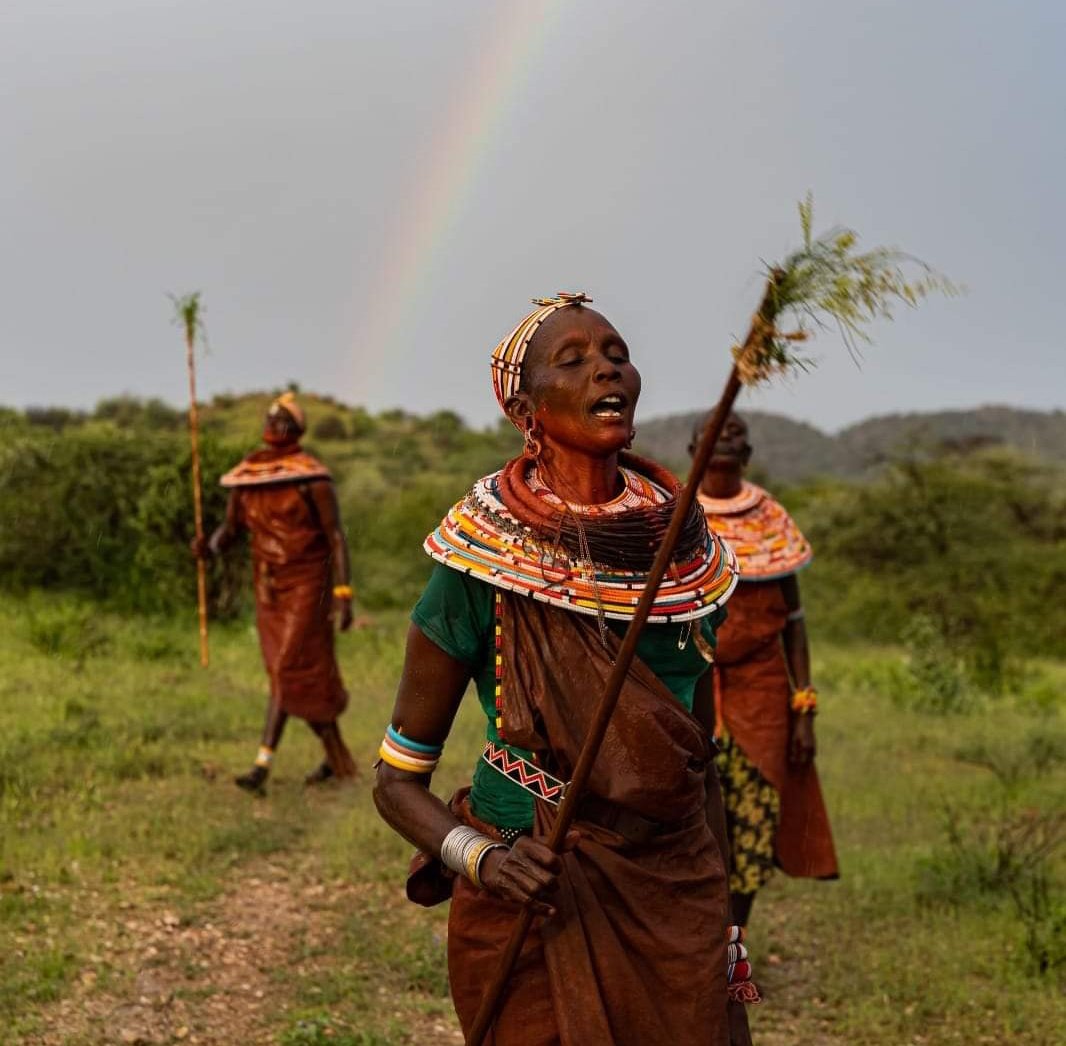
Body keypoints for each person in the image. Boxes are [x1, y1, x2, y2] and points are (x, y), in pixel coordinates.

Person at [374, 293, 755, 1045]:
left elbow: (696, 766)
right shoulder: (480, 563)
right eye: (572, 360)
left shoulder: (684, 562)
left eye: (615, 353)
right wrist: (480, 859)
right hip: (531, 896)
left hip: (671, 885)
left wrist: (723, 926)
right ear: (527, 407)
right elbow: (395, 785)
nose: (605, 371)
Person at [694, 411, 838, 928]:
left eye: (736, 434)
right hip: (690, 688)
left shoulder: (770, 518)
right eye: (715, 433)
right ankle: (691, 945)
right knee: (689, 818)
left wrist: (805, 709)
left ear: (749, 454)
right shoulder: (675, 520)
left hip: (762, 694)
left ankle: (733, 945)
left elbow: (794, 624)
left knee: (752, 818)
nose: (726, 438)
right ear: (694, 450)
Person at [196, 392, 358, 794]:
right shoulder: (248, 478)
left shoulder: (311, 478)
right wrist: (209, 547)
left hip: (308, 585)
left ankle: (261, 765)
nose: (276, 427)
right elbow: (231, 531)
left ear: (296, 431)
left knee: (287, 669)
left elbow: (335, 537)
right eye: (272, 420)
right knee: (295, 673)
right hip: (268, 588)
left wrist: (343, 591)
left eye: (285, 421)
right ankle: (339, 762)